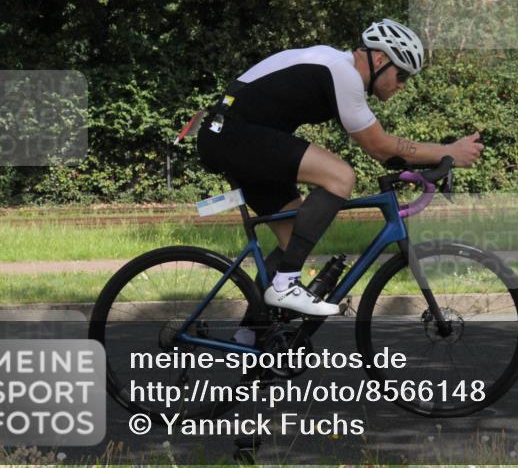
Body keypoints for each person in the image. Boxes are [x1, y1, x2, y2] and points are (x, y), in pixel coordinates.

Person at [197, 19, 484, 319]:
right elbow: (380, 147)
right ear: (380, 59)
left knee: (294, 239)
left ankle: (251, 338)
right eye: (401, 75)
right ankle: (285, 285)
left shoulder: (335, 66)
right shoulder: (342, 72)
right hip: (232, 135)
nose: (402, 85)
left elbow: (386, 153)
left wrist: (437, 158)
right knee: (341, 176)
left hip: (236, 137)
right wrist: (448, 151)